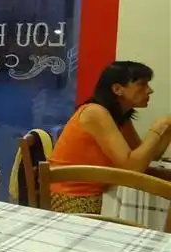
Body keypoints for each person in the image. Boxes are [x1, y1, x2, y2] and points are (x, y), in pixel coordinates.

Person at [50, 61, 171, 214]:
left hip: (102, 189)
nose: (150, 90)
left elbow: (145, 157)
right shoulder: (95, 113)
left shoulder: (121, 116)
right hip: (73, 196)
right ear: (117, 89)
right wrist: (157, 128)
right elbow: (132, 168)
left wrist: (167, 132)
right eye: (142, 84)